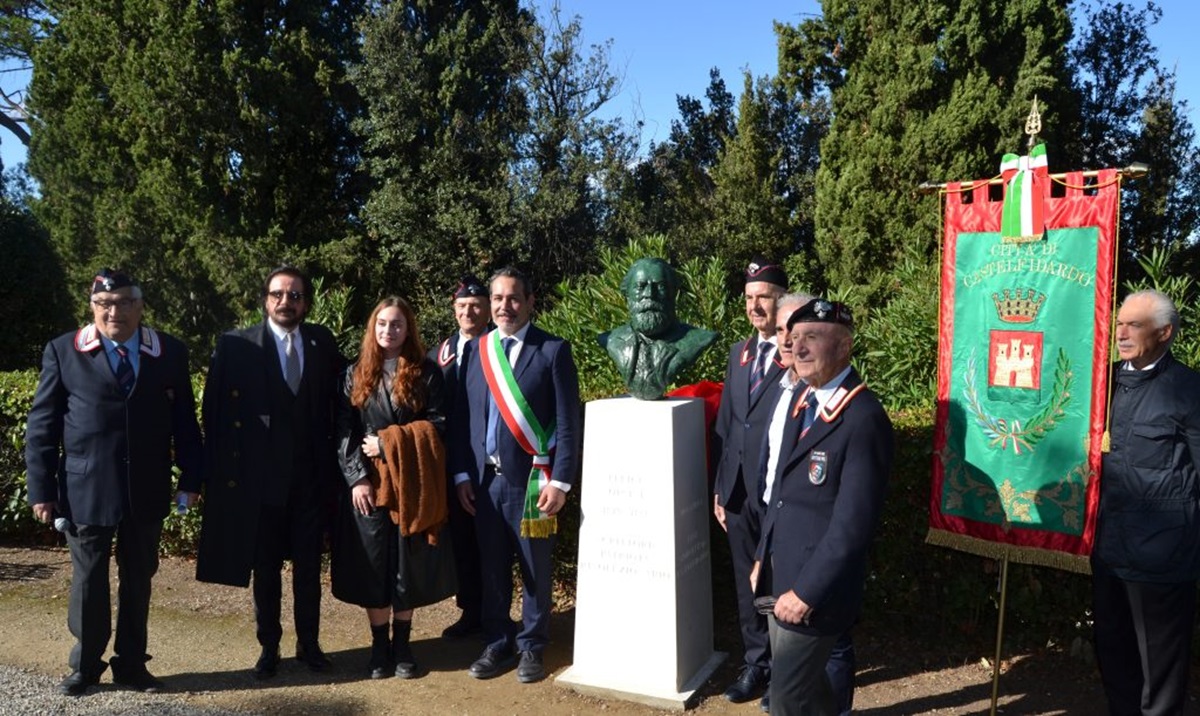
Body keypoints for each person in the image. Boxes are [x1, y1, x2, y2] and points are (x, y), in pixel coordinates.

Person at [24, 269, 203, 696]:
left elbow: (185, 424)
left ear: (140, 306)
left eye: (124, 302)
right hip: (86, 487)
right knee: (89, 581)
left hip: (147, 486)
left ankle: (132, 665)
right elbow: (42, 426)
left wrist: (192, 479)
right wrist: (41, 489)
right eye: (104, 304)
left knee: (139, 577)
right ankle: (85, 666)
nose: (114, 311)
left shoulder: (169, 352)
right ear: (92, 307)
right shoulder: (64, 351)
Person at [195, 266, 344, 679]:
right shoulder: (235, 345)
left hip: (312, 481)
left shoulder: (322, 342)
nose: (286, 302)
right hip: (258, 482)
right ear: (265, 299)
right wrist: (216, 476)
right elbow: (215, 414)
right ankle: (269, 647)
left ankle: (310, 644)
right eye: (278, 294)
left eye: (295, 295)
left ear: (306, 303)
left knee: (309, 570)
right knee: (265, 571)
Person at [753, 298, 893, 716]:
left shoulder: (863, 418)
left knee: (787, 704)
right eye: (794, 339)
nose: (798, 348)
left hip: (814, 594)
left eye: (812, 337)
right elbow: (781, 495)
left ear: (844, 347)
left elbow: (853, 526)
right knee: (811, 700)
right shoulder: (804, 402)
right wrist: (764, 556)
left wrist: (806, 592)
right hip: (782, 579)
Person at [450, 266, 581, 684]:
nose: (504, 306)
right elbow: (464, 419)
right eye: (498, 299)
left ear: (529, 302)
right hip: (485, 482)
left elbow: (567, 422)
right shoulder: (479, 351)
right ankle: (498, 640)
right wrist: (461, 475)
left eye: (513, 298)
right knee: (491, 566)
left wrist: (560, 481)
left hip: (533, 482)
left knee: (534, 569)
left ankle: (531, 646)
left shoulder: (553, 350)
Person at [1091, 290, 1200, 716]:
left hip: (1162, 558)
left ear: (1164, 332)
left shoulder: (1189, 389)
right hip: (1109, 550)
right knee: (1115, 658)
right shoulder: (1103, 384)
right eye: (1119, 323)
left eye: (1134, 325)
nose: (1121, 332)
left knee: (1160, 676)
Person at [333, 296, 452, 680]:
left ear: (408, 328)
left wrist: (389, 442)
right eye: (383, 323)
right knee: (373, 565)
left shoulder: (426, 373)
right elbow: (344, 432)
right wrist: (357, 478)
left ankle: (403, 645)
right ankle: (377, 646)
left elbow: (439, 426)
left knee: (406, 564)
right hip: (369, 484)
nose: (389, 330)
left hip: (410, 482)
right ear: (373, 328)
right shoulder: (353, 374)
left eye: (397, 324)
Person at [713, 257, 789, 705]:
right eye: (749, 298)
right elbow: (726, 426)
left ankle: (785, 671)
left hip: (780, 495)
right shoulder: (738, 354)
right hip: (740, 492)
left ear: (782, 300)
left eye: (764, 297)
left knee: (780, 583)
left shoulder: (798, 352)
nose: (755, 306)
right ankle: (756, 662)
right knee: (749, 584)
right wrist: (721, 488)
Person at [428, 276, 490, 638]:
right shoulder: (440, 353)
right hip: (451, 465)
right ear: (454, 310)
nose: (468, 311)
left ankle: (496, 611)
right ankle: (471, 611)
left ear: (486, 309)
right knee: (463, 542)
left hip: (489, 461)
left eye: (475, 305)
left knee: (493, 542)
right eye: (462, 306)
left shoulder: (498, 347)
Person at [598, 257, 719, 400]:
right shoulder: (610, 340)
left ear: (673, 293)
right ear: (627, 295)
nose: (649, 294)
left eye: (660, 286)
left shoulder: (698, 339)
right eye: (640, 286)